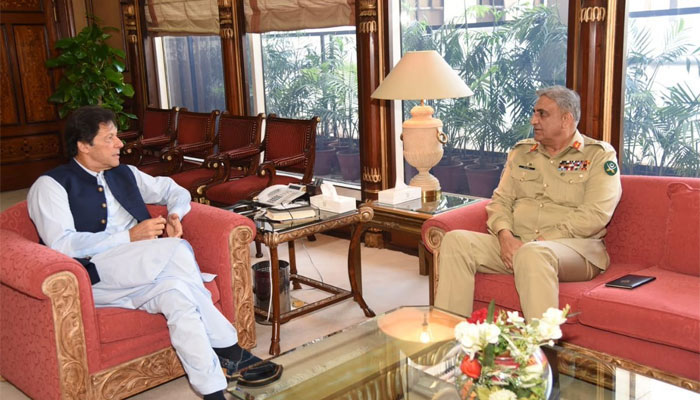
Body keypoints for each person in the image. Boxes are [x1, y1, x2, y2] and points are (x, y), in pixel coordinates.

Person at [27, 106, 281, 399]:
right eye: (109, 138)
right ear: (84, 145)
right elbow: (62, 244)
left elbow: (175, 191)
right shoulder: (50, 186)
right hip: (94, 278)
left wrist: (175, 215)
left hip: (146, 272)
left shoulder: (125, 173)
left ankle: (213, 390)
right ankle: (230, 349)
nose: (120, 144)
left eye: (117, 136)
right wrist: (128, 237)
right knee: (175, 249)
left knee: (178, 296)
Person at [435, 85, 622, 321]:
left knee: (533, 253)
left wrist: (537, 242)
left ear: (566, 119)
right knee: (456, 241)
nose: (534, 120)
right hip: (519, 244)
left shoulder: (598, 155)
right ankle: (450, 335)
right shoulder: (522, 152)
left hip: (575, 249)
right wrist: (505, 237)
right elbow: (500, 200)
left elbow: (595, 214)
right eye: (534, 113)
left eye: (542, 114)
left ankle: (539, 343)